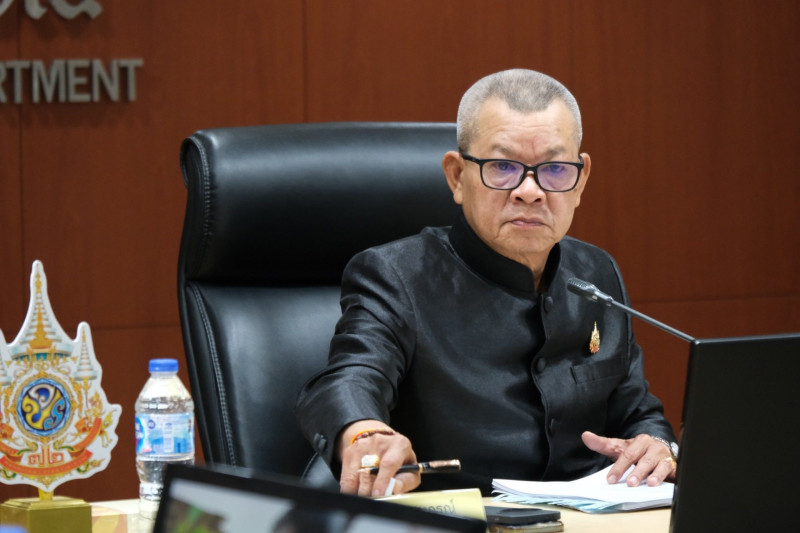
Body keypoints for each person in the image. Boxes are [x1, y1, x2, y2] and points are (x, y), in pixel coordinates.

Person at [295, 69, 678, 498]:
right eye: (503, 167)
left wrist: (657, 446)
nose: (530, 191)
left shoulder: (596, 273)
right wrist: (365, 434)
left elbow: (637, 412)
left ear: (581, 179)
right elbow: (349, 377)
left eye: (554, 169)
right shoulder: (397, 275)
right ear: (457, 176)